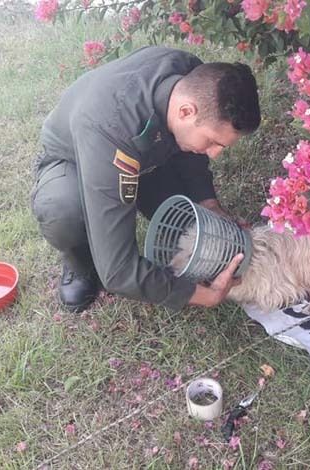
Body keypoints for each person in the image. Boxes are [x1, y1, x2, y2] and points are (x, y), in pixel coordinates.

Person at [30, 46, 261, 313]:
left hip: (147, 152)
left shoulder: (194, 78)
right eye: (212, 141)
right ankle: (79, 261)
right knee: (62, 213)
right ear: (185, 112)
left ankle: (153, 180)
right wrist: (203, 295)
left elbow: (191, 154)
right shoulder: (111, 127)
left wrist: (208, 201)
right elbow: (118, 272)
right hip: (77, 158)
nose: (215, 154)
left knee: (189, 223)